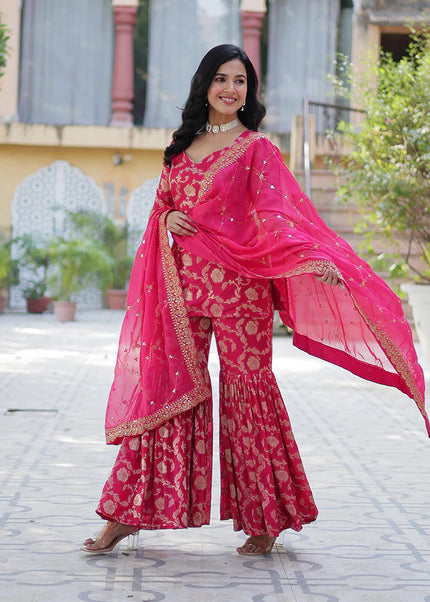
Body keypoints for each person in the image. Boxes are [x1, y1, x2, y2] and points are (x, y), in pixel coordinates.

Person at [82, 44, 428, 556]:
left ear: (250, 91)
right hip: (182, 285)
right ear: (205, 85)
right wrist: (165, 221)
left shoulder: (257, 150)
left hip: (241, 287)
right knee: (169, 385)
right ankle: (131, 513)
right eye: (221, 79)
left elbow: (276, 214)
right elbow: (163, 207)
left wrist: (310, 256)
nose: (230, 89)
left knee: (247, 388)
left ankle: (265, 519)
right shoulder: (179, 147)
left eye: (240, 81)